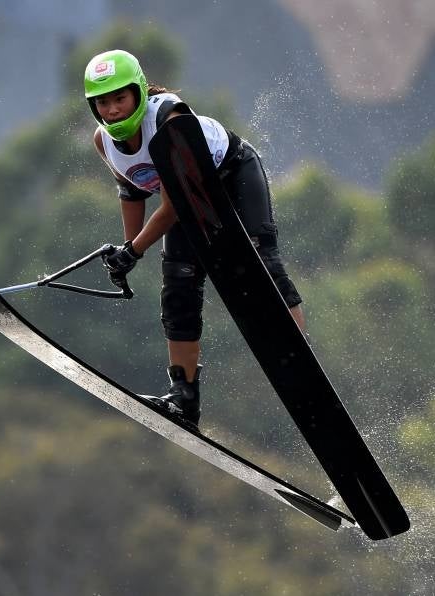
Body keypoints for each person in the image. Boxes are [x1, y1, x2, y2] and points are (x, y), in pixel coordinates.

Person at [85, 49, 305, 426]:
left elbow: (172, 205)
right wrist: (127, 248)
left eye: (120, 98)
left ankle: (300, 360)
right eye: (102, 103)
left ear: (138, 93)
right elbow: (132, 192)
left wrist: (135, 251)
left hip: (232, 176)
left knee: (258, 261)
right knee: (178, 291)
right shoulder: (102, 141)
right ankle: (184, 400)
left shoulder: (169, 119)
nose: (113, 110)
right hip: (189, 204)